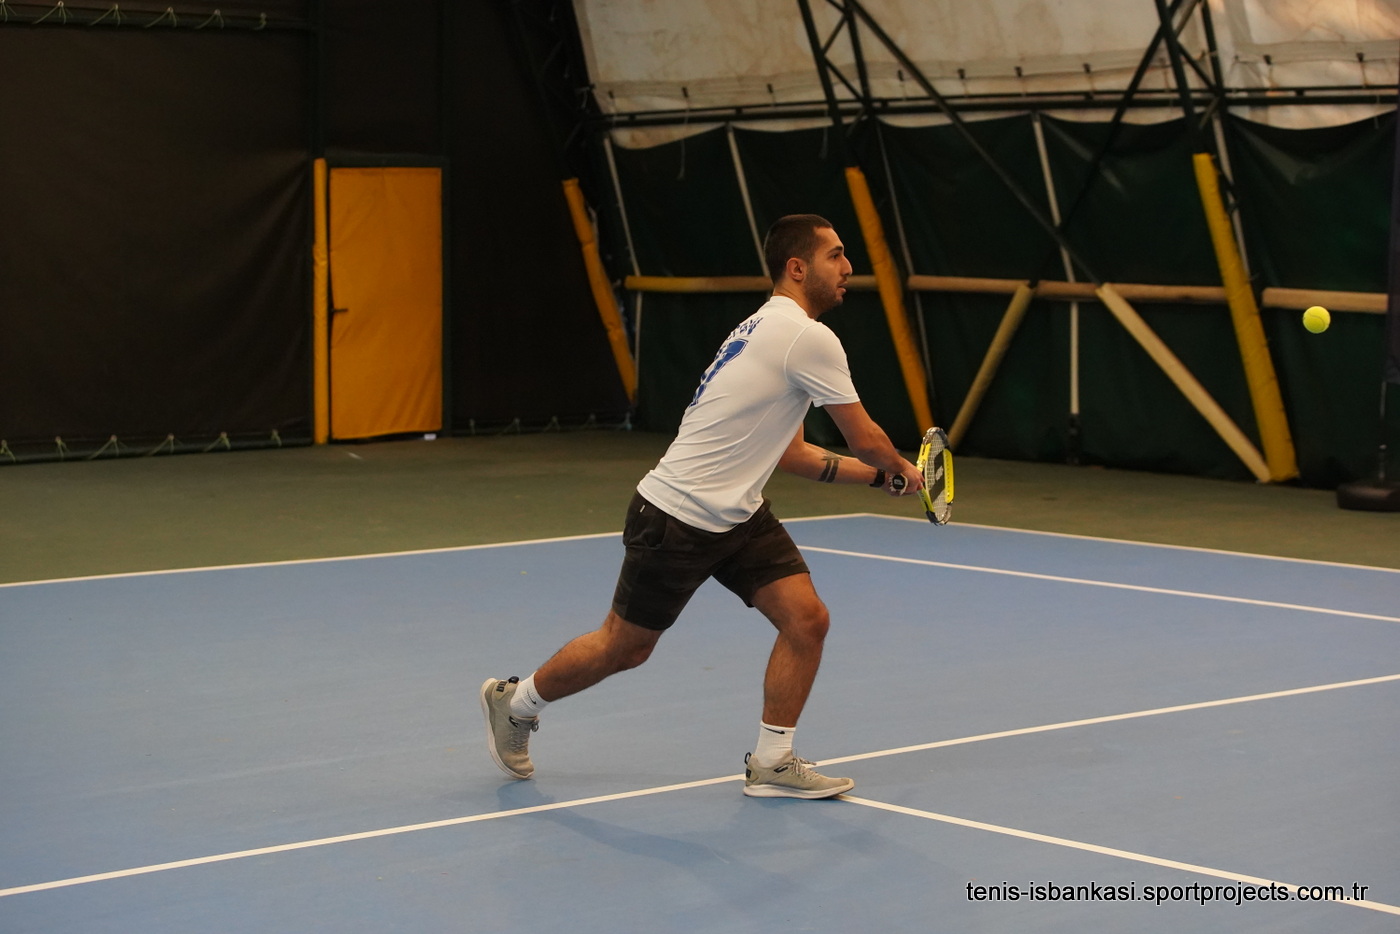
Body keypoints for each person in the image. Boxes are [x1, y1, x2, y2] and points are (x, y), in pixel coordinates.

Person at [481, 214, 923, 799]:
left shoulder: (766, 330)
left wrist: (878, 479)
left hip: (739, 516)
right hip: (677, 517)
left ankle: (772, 762)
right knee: (625, 647)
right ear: (797, 268)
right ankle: (515, 702)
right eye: (835, 255)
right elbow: (865, 439)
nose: (848, 267)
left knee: (807, 620)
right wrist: (901, 468)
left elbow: (791, 454)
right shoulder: (805, 337)